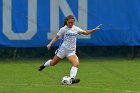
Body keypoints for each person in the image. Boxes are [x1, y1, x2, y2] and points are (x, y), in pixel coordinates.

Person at [38, 15, 102, 84]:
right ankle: (44, 65)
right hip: (62, 50)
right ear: (66, 22)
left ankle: (71, 79)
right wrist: (50, 44)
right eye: (69, 23)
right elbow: (56, 37)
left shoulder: (76, 29)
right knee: (53, 63)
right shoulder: (63, 29)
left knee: (76, 64)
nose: (71, 24)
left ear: (74, 22)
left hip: (71, 51)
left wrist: (94, 30)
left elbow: (85, 33)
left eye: (72, 23)